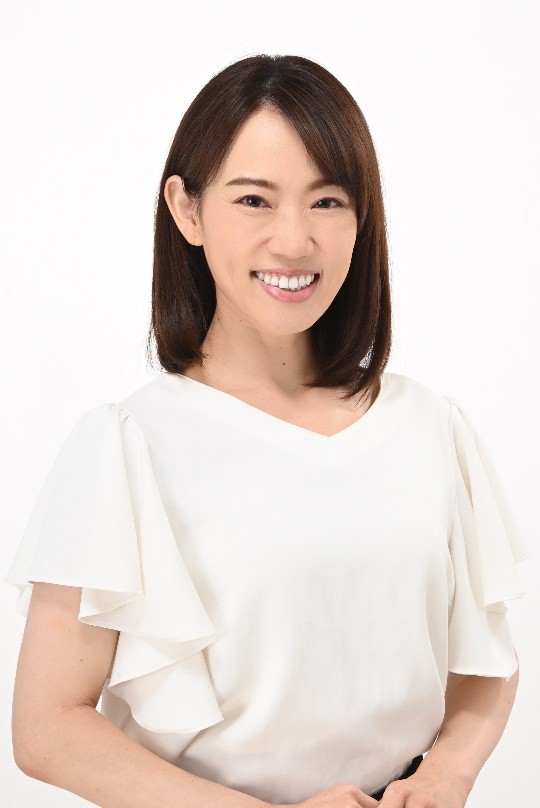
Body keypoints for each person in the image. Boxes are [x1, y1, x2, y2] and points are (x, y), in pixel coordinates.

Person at [3, 54, 530, 808]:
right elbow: (47, 729)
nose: (293, 240)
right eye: (254, 199)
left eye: (327, 201)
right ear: (186, 209)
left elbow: (485, 657)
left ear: (363, 216)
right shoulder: (128, 446)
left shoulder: (430, 427)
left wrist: (449, 772)